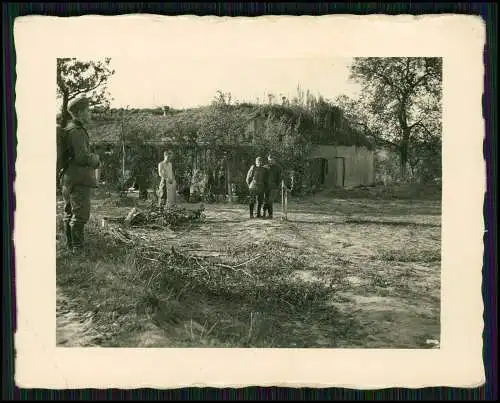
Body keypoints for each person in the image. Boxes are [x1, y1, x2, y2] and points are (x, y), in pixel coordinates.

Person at [60, 96, 100, 252]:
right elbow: (82, 157)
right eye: (87, 111)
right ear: (80, 112)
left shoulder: (69, 129)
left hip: (68, 178)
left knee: (69, 212)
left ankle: (71, 247)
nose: (89, 114)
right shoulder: (77, 131)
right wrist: (96, 159)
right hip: (79, 179)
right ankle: (77, 250)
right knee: (80, 214)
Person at [263, 154, 283, 219]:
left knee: (270, 201)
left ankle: (263, 210)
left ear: (275, 160)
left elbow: (280, 178)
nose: (270, 161)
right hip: (266, 187)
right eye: (269, 160)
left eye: (272, 160)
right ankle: (270, 215)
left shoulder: (278, 168)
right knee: (266, 200)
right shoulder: (265, 167)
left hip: (274, 187)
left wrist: (277, 185)